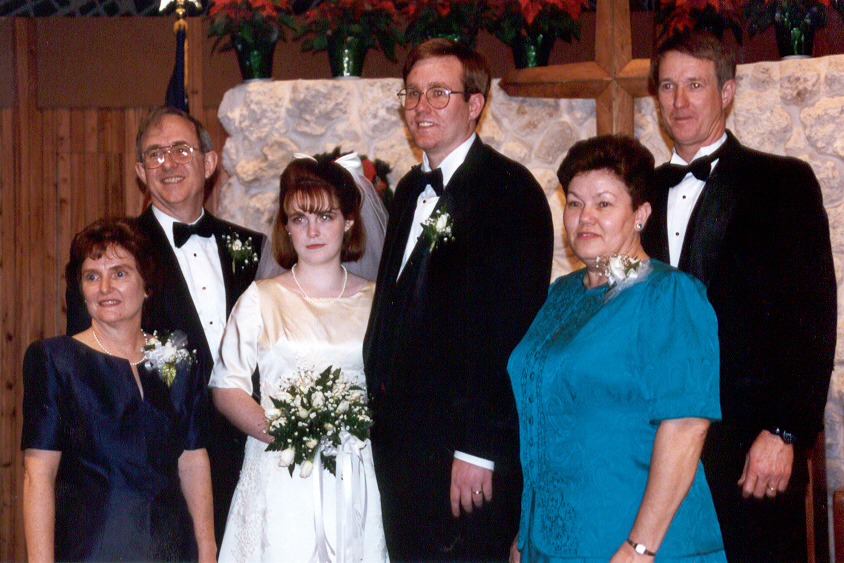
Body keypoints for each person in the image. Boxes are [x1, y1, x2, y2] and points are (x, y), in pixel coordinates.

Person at [641, 31, 836, 562]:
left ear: (727, 92)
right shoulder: (640, 194)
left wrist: (785, 430)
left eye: (695, 85)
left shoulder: (783, 183)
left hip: (752, 449)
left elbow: (813, 315)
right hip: (656, 451)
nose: (679, 101)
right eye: (668, 86)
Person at [363, 38, 554, 561]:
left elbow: (511, 333)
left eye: (439, 93)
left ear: (475, 105)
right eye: (413, 93)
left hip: (462, 457)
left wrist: (480, 449)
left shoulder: (510, 190)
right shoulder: (407, 190)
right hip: (404, 450)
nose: (420, 107)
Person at [508, 135, 726, 563]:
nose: (584, 217)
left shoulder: (668, 294)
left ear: (641, 213)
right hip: (553, 541)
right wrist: (525, 534)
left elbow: (686, 426)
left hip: (637, 543)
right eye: (574, 203)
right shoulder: (561, 295)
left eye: (604, 204)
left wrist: (639, 546)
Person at [65, 106, 266, 544]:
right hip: (157, 477)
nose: (168, 164)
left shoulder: (254, 248)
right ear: (140, 171)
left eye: (180, 149)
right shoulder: (112, 258)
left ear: (209, 163)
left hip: (252, 462)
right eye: (154, 155)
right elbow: (90, 373)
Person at [209, 156, 388, 562]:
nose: (312, 230)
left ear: (348, 221)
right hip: (278, 468)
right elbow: (226, 385)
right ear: (286, 227)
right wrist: (283, 432)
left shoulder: (376, 301)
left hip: (353, 471)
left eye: (325, 216)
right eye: (299, 218)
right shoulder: (261, 299)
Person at [23, 217, 215, 562]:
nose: (105, 287)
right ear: (80, 289)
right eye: (92, 276)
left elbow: (193, 459)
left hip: (172, 550)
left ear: (147, 284)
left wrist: (207, 549)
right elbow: (38, 474)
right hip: (93, 548)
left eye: (120, 273)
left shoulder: (179, 360)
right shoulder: (55, 360)